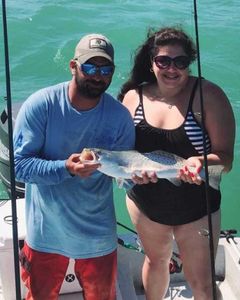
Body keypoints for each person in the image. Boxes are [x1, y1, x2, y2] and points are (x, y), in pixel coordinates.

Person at [13, 33, 135, 300]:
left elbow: (125, 176)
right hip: (46, 231)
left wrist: (138, 179)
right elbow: (19, 167)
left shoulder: (120, 117)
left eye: (106, 69)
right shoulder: (41, 105)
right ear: (73, 66)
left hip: (98, 232)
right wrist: (66, 167)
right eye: (90, 67)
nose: (98, 75)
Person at [118, 26, 235, 300]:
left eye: (180, 62)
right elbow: (123, 152)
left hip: (197, 207)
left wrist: (201, 163)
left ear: (189, 63)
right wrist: (132, 174)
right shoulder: (133, 97)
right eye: (164, 61)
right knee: (155, 262)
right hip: (146, 205)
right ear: (152, 63)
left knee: (202, 282)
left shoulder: (209, 97)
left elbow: (225, 161)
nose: (172, 69)